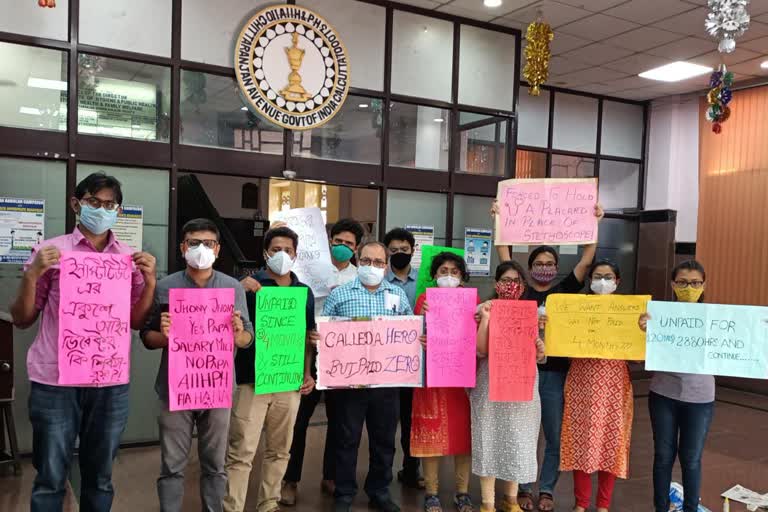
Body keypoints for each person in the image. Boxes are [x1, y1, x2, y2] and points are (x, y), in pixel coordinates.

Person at [10, 172, 157, 512]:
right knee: (50, 476)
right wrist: (32, 275)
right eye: (94, 202)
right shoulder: (51, 252)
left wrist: (149, 283)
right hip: (55, 379)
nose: (102, 210)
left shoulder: (129, 259)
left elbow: (135, 321)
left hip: (109, 379)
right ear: (77, 204)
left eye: (109, 205)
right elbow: (22, 318)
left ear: (118, 211)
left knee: (101, 476)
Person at [492, 200, 604, 512]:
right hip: (523, 373)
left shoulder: (567, 289)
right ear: (528, 268)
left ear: (556, 266)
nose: (544, 267)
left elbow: (586, 260)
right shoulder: (521, 290)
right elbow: (504, 255)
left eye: (549, 262)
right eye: (538, 263)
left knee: (554, 436)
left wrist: (593, 225)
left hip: (555, 375)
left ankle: (547, 490)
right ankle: (524, 487)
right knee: (525, 433)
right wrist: (500, 220)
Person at [140, 218, 254, 512]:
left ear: (218, 249)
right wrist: (164, 335)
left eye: (208, 243)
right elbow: (147, 337)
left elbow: (247, 339)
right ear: (182, 247)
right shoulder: (165, 286)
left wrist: (237, 332)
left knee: (216, 464)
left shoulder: (231, 288)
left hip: (217, 389)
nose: (201, 249)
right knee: (172, 465)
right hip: (175, 389)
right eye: (194, 243)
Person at [223, 226, 317, 512]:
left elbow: (306, 337)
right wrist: (240, 286)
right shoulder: (250, 286)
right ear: (265, 253)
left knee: (280, 450)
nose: (282, 254)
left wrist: (307, 372)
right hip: (252, 382)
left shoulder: (304, 292)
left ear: (296, 254)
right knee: (242, 451)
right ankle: (233, 507)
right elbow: (221, 310)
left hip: (288, 382)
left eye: (288, 250)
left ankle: (269, 503)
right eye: (276, 249)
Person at [323, 241, 413, 512]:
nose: (371, 266)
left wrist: (417, 338)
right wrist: (320, 336)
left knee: (385, 440)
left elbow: (409, 329)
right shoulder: (339, 295)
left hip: (386, 384)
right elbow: (325, 332)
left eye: (377, 262)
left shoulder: (398, 295)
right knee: (346, 438)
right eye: (365, 261)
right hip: (349, 383)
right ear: (357, 261)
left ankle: (379, 490)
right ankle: (344, 492)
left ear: (386, 266)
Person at [280, 218, 365, 505]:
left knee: (340, 421)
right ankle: (289, 480)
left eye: (349, 244)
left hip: (344, 357)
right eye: (337, 241)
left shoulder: (360, 278)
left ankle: (332, 476)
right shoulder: (308, 270)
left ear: (357, 248)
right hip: (307, 352)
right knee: (299, 420)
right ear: (329, 241)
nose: (342, 247)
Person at [639, 260, 714, 512]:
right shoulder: (657, 316)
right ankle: (661, 508)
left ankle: (690, 509)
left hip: (700, 397)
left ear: (704, 285)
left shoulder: (717, 318)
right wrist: (642, 331)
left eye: (695, 283)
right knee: (662, 456)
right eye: (682, 282)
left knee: (691, 459)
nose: (688, 287)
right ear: (673, 284)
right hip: (663, 393)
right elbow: (641, 354)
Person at [559, 260, 633, 512]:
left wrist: (644, 327)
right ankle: (581, 503)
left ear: (617, 281)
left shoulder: (629, 311)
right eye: (598, 276)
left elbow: (638, 352)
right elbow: (562, 345)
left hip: (614, 385)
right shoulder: (576, 309)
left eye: (608, 276)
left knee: (610, 443)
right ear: (590, 281)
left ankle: (603, 505)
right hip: (581, 382)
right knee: (580, 441)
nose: (603, 281)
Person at [472, 261, 546, 512]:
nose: (510, 285)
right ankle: (487, 502)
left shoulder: (533, 313)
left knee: (519, 437)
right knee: (489, 436)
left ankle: (511, 499)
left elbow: (541, 354)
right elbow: (480, 350)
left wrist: (539, 348)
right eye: (505, 280)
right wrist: (486, 320)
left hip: (522, 382)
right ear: (496, 283)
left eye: (516, 281)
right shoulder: (483, 308)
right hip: (490, 381)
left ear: (523, 285)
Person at [411, 252, 475, 512]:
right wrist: (422, 326)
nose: (448, 276)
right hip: (432, 380)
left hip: (460, 381)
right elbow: (412, 336)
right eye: (443, 271)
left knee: (463, 437)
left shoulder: (472, 300)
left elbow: (477, 334)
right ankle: (432, 492)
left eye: (454, 271)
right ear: (434, 275)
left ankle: (462, 492)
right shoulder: (423, 300)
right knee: (430, 435)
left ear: (462, 276)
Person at [383, 227, 423, 490]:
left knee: (412, 419)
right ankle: (382, 475)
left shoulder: (424, 282)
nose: (399, 254)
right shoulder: (380, 281)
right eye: (394, 250)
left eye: (404, 250)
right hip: (385, 363)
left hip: (415, 363)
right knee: (385, 421)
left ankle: (411, 470)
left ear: (413, 250)